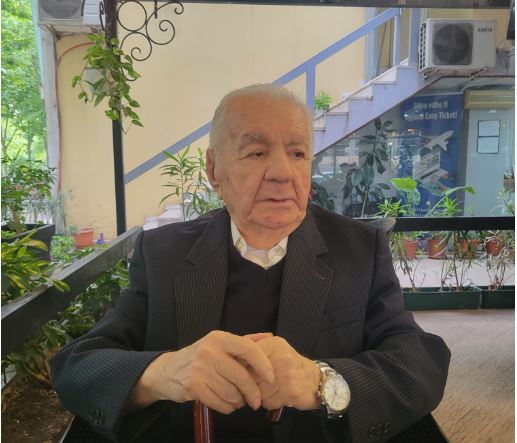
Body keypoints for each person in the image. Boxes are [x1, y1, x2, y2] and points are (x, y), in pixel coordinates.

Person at [50, 84, 450, 443]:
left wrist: (320, 381)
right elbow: (78, 365)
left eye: (297, 153)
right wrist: (168, 372)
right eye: (257, 153)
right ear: (213, 170)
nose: (282, 172)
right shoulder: (163, 253)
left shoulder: (358, 249)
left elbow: (420, 363)